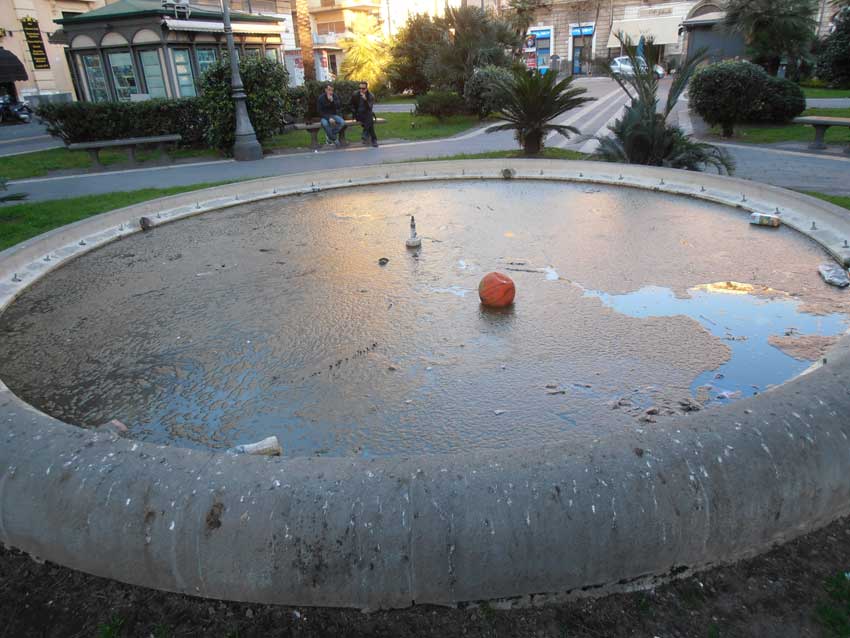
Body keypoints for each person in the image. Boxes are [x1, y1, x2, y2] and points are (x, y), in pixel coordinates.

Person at [350, 81, 378, 148]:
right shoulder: (355, 94)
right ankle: (373, 139)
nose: (361, 90)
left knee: (369, 116)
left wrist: (365, 100)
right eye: (360, 88)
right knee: (369, 119)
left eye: (363, 88)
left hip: (367, 114)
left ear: (366, 88)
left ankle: (367, 135)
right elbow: (350, 105)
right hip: (358, 114)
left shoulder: (370, 96)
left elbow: (369, 107)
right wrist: (354, 111)